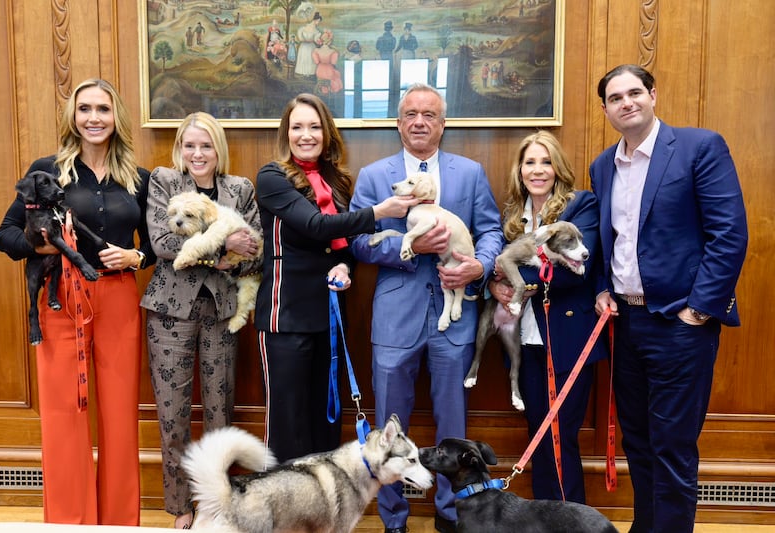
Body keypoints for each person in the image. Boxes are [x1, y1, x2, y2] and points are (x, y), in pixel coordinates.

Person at [591, 64, 747, 532]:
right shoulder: (603, 166)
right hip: (627, 325)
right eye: (615, 98)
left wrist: (697, 311)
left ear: (653, 95)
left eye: (634, 93)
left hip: (680, 325)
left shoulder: (699, 147)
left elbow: (729, 235)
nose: (626, 103)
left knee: (672, 447)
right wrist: (602, 288)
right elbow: (608, 241)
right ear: (605, 110)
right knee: (638, 443)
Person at [0, 78, 154, 525]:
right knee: (64, 413)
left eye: (103, 109)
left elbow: (156, 244)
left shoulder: (138, 178)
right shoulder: (47, 170)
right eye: (85, 109)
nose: (93, 118)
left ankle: (120, 523)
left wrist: (137, 256)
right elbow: (5, 235)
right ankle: (69, 524)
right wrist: (41, 246)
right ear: (73, 117)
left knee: (120, 414)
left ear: (116, 117)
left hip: (119, 298)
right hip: (62, 299)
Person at [349, 83, 503, 533]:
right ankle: (393, 519)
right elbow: (357, 241)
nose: (420, 122)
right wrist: (408, 249)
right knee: (389, 428)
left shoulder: (469, 173)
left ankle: (452, 516)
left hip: (456, 318)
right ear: (399, 123)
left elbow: (491, 231)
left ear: (442, 123)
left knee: (453, 422)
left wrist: (479, 266)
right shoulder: (374, 176)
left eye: (429, 115)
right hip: (395, 317)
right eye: (411, 114)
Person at [254, 93, 417, 464]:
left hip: (329, 317)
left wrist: (345, 266)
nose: (306, 135)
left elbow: (343, 244)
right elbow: (315, 226)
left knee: (325, 418)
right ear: (286, 133)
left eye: (314, 127)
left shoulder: (337, 181)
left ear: (326, 133)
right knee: (288, 423)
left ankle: (322, 498)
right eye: (297, 127)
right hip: (285, 317)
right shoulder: (272, 177)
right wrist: (379, 212)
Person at [142, 111, 262, 529]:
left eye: (206, 145)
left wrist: (233, 253)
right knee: (172, 414)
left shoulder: (240, 189)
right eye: (189, 145)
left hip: (222, 313)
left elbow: (256, 251)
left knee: (219, 413)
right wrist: (224, 249)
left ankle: (215, 503)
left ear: (218, 149)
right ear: (180, 148)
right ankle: (180, 505)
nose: (198, 153)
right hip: (169, 313)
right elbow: (163, 242)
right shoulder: (163, 181)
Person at [487, 131, 606, 503]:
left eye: (546, 162)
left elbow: (577, 270)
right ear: (520, 170)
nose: (537, 170)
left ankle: (571, 521)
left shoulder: (581, 206)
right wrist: (493, 285)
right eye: (530, 162)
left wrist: (512, 276)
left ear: (558, 168)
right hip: (525, 342)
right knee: (537, 433)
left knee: (561, 435)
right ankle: (543, 519)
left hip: (568, 339)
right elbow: (496, 269)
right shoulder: (513, 217)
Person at [295, 11, 322, 77]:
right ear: (315, 20)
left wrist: (319, 41)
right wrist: (308, 40)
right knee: (304, 58)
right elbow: (300, 38)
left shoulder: (317, 31)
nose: (318, 23)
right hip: (303, 47)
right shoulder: (303, 28)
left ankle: (310, 73)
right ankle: (303, 72)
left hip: (311, 47)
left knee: (310, 59)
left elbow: (316, 40)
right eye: (318, 21)